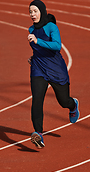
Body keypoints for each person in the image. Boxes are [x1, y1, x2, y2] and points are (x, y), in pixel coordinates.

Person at [28, 0, 79, 149]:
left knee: (63, 101)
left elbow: (57, 46)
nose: (32, 14)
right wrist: (34, 56)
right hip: (38, 68)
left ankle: (73, 105)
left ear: (42, 11)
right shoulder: (31, 28)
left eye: (35, 11)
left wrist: (38, 41)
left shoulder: (51, 27)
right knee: (37, 100)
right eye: (30, 12)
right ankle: (38, 133)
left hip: (56, 69)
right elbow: (38, 48)